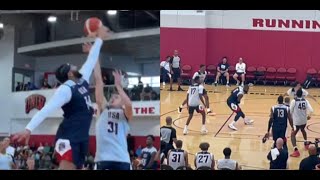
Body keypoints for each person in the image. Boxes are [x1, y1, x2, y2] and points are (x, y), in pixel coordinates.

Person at [12, 26, 109, 170]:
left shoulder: (81, 80)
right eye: (72, 67)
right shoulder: (65, 89)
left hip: (82, 136)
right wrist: (28, 129)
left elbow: (92, 58)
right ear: (69, 74)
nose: (76, 66)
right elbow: (45, 110)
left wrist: (99, 38)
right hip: (69, 136)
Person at [92, 54, 133, 170]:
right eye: (112, 97)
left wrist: (118, 86)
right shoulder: (103, 109)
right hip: (103, 159)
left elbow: (129, 104)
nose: (113, 98)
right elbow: (98, 81)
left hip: (122, 159)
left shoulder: (125, 115)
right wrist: (94, 55)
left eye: (117, 97)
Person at [290, 89, 313, 157]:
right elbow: (311, 110)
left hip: (297, 121)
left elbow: (290, 111)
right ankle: (306, 143)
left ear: (296, 94)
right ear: (302, 94)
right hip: (304, 120)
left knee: (292, 135)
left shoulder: (294, 101)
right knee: (303, 129)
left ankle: (296, 150)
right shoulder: (306, 101)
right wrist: (309, 116)